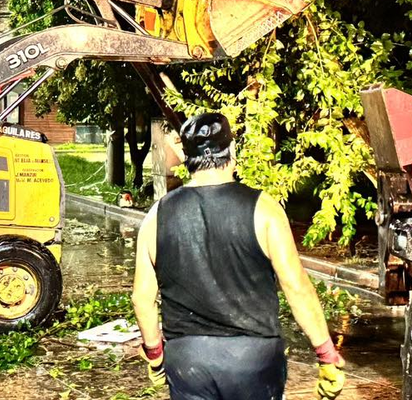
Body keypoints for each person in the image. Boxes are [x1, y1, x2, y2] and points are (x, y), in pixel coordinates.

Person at [131, 112, 347, 400]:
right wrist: (326, 354)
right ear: (232, 152)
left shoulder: (157, 216)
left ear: (186, 156)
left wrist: (156, 355)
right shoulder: (264, 209)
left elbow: (142, 298)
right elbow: (296, 287)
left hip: (189, 361)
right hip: (254, 359)